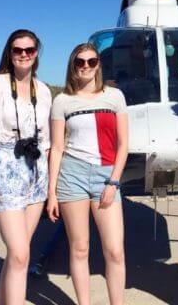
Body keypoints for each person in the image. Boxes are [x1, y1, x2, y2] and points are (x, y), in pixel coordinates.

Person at [0, 29, 52, 305]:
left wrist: (51, 189)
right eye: (18, 50)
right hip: (6, 170)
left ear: (36, 53)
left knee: (20, 254)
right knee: (19, 254)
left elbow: (49, 142)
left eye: (29, 50)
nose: (24, 55)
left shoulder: (43, 91)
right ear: (10, 53)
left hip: (37, 172)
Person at [46, 43, 128, 305]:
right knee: (79, 248)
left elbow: (124, 145)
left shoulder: (114, 96)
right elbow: (57, 148)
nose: (85, 67)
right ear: (73, 65)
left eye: (91, 62)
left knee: (114, 251)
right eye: (80, 62)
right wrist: (52, 193)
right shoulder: (62, 101)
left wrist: (114, 181)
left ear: (98, 66)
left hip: (107, 174)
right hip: (72, 176)